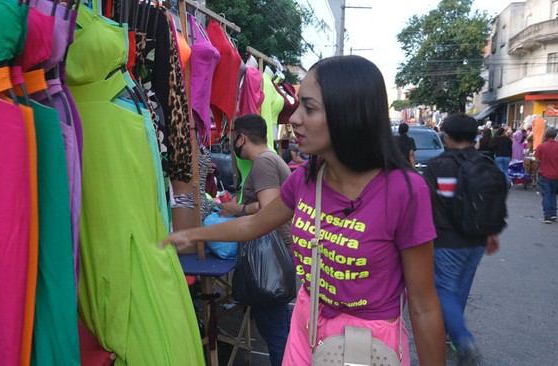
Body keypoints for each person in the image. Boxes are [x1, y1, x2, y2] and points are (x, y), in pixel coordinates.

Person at [160, 55, 445, 366]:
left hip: (366, 344)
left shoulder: (404, 191)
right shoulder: (307, 178)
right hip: (306, 322)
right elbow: (253, 225)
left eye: (309, 109)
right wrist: (191, 234)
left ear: (349, 115)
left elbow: (424, 306)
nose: (294, 119)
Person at [423, 113, 503, 366]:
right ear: (475, 136)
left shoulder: (438, 166)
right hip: (477, 241)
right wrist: (491, 233)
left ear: (446, 135)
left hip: (446, 241)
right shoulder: (486, 164)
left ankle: (463, 339)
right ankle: (453, 336)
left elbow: (425, 206)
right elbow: (492, 201)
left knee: (443, 289)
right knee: (459, 288)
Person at [217, 113, 293, 366]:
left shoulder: (263, 163)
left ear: (242, 137)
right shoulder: (272, 159)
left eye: (232, 139)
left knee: (274, 331)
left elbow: (268, 207)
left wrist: (235, 210)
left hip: (270, 254)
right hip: (277, 252)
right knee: (278, 326)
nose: (232, 145)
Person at [534, 128, 558, 223]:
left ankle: (547, 216)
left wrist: (534, 172)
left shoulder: (541, 146)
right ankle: (553, 214)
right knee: (553, 194)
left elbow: (537, 161)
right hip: (556, 174)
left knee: (546, 195)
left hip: (544, 173)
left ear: (546, 135)